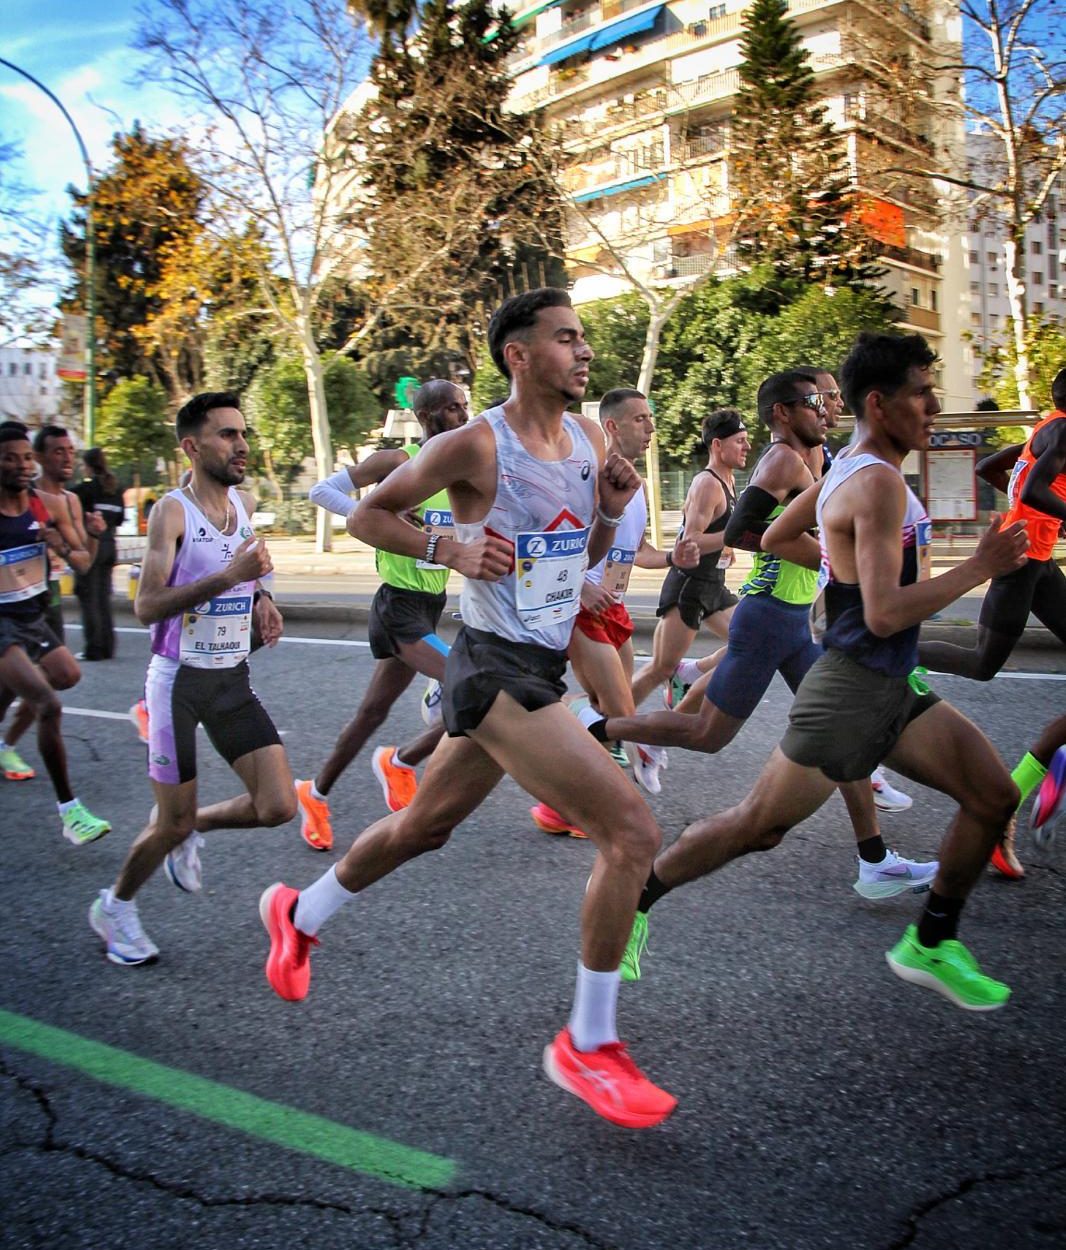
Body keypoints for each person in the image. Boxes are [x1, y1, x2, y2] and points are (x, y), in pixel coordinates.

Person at [259, 288, 676, 1129]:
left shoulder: (591, 440)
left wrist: (611, 512)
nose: (584, 352)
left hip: (539, 665)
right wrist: (443, 545)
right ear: (518, 355)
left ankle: (298, 913)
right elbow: (369, 515)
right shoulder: (474, 444)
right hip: (489, 671)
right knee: (631, 831)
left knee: (424, 828)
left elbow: (579, 558)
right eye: (566, 339)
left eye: (584, 339)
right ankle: (588, 1045)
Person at [602, 332, 1030, 1012]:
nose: (932, 405)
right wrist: (981, 566)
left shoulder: (845, 467)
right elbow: (886, 614)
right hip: (856, 685)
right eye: (920, 392)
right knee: (756, 825)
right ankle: (634, 899)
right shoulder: (877, 482)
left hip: (884, 681)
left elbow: (774, 537)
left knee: (993, 795)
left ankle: (930, 940)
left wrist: (839, 565)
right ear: (880, 402)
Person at [576, 370, 935, 982]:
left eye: (828, 400)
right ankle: (596, 724)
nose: (826, 410)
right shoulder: (778, 461)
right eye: (815, 403)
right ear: (782, 411)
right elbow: (747, 530)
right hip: (770, 615)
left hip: (793, 618)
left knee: (841, 737)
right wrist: (820, 552)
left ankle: (874, 857)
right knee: (710, 734)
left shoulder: (812, 455)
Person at [89, 391, 294, 967]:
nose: (242, 445)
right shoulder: (171, 512)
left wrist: (264, 599)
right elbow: (148, 606)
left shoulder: (244, 504)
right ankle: (115, 906)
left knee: (277, 806)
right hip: (177, 683)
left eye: (243, 433)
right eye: (227, 434)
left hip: (232, 676)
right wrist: (231, 574)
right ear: (191, 445)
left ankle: (187, 826)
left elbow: (251, 570)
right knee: (169, 823)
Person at [294, 380, 469, 848]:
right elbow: (321, 490)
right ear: (430, 416)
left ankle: (314, 792)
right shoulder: (398, 462)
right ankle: (402, 761)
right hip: (398, 606)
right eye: (455, 409)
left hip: (430, 605)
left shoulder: (455, 471)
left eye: (466, 407)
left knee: (372, 712)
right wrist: (376, 515)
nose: (465, 416)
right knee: (474, 687)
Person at [529, 387, 699, 835]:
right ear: (611, 426)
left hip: (615, 607)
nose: (651, 428)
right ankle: (544, 713)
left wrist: (671, 559)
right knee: (621, 714)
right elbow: (554, 541)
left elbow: (635, 550)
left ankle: (556, 805)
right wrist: (582, 587)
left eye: (650, 418)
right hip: (579, 605)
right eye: (640, 419)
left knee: (610, 709)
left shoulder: (635, 487)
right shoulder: (586, 477)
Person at [0, 422, 110, 842]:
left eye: (25, 457)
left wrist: (77, 541)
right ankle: (71, 812)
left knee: (67, 675)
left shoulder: (38, 506)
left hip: (33, 617)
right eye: (10, 458)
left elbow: (82, 562)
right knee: (47, 703)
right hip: (2, 624)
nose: (21, 465)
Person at [919, 366, 1066, 680]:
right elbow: (1033, 491)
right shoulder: (1063, 432)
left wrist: (1051, 513)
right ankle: (886, 648)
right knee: (982, 663)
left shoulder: (1047, 428)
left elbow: (987, 467)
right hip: (1019, 559)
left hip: (1037, 557)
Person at [628, 409, 749, 712]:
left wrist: (725, 549)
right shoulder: (707, 484)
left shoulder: (729, 481)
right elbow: (689, 542)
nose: (747, 446)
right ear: (717, 445)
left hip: (713, 586)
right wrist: (731, 537)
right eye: (740, 441)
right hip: (689, 588)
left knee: (751, 641)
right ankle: (603, 725)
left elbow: (713, 534)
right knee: (659, 669)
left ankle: (690, 672)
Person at [73, 447, 125, 660]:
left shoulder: (85, 490)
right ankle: (107, 646)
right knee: (103, 597)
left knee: (88, 596)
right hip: (110, 545)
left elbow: (70, 507)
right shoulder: (115, 489)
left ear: (87, 466)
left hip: (91, 544)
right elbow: (120, 519)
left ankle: (94, 649)